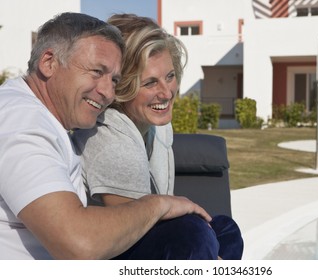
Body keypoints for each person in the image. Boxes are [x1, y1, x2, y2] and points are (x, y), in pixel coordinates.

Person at [0, 12, 217, 260]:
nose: (107, 92)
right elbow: (78, 242)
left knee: (217, 231)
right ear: (49, 62)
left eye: (114, 79)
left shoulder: (40, 119)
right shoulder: (22, 122)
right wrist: (160, 204)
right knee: (191, 234)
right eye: (96, 71)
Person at [72, 13, 244, 260]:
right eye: (150, 83)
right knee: (193, 233)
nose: (166, 93)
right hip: (110, 251)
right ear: (123, 87)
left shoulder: (155, 127)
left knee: (225, 229)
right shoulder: (109, 140)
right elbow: (129, 232)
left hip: (142, 238)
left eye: (170, 76)